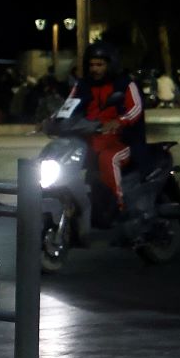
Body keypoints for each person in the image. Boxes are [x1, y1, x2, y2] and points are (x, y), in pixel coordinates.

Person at [60, 46, 146, 229]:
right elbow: (68, 106)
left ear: (110, 65)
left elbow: (136, 108)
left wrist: (119, 121)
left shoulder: (125, 84)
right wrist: (52, 120)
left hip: (121, 141)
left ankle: (120, 206)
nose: (95, 69)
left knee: (108, 159)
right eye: (91, 65)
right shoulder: (82, 85)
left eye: (99, 64)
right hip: (90, 140)